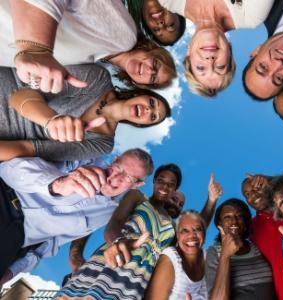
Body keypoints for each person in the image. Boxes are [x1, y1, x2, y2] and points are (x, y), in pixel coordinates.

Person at [0, 148, 153, 288]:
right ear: (114, 160)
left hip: (16, 238)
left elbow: (50, 242)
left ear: (137, 185)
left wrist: (12, 271)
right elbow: (9, 167)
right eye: (118, 167)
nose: (116, 177)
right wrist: (57, 184)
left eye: (128, 177)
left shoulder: (107, 214)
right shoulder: (86, 155)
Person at [56, 163, 180, 300]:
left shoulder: (172, 227)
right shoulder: (137, 197)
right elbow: (115, 223)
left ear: (175, 189)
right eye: (161, 180)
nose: (165, 187)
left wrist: (209, 201)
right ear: (154, 181)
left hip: (140, 278)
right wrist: (117, 242)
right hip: (114, 259)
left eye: (171, 184)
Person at [0, 65, 171, 161]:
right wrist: (51, 120)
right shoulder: (98, 77)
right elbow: (19, 95)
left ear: (141, 124)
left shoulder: (103, 144)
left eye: (153, 116)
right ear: (139, 94)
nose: (149, 110)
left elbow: (29, 150)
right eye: (151, 103)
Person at [1, 0, 177, 93]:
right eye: (155, 65)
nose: (148, 71)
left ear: (138, 83)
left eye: (152, 78)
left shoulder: (96, 66)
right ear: (150, 50)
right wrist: (34, 47)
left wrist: (36, 76)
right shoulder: (125, 36)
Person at [158, 0, 274, 97]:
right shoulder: (251, 16)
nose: (210, 60)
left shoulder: (169, 2)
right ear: (229, 52)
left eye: (201, 68)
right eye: (220, 67)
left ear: (188, 53)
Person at [205, 198, 277, 300]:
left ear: (246, 221)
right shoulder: (214, 252)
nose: (234, 222)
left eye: (239, 216)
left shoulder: (255, 246)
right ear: (219, 224)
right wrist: (225, 255)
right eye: (227, 217)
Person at [146, 210, 208, 299]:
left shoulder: (209, 258)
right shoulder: (170, 259)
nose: (192, 236)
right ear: (178, 235)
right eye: (185, 231)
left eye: (197, 229)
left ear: (204, 234)